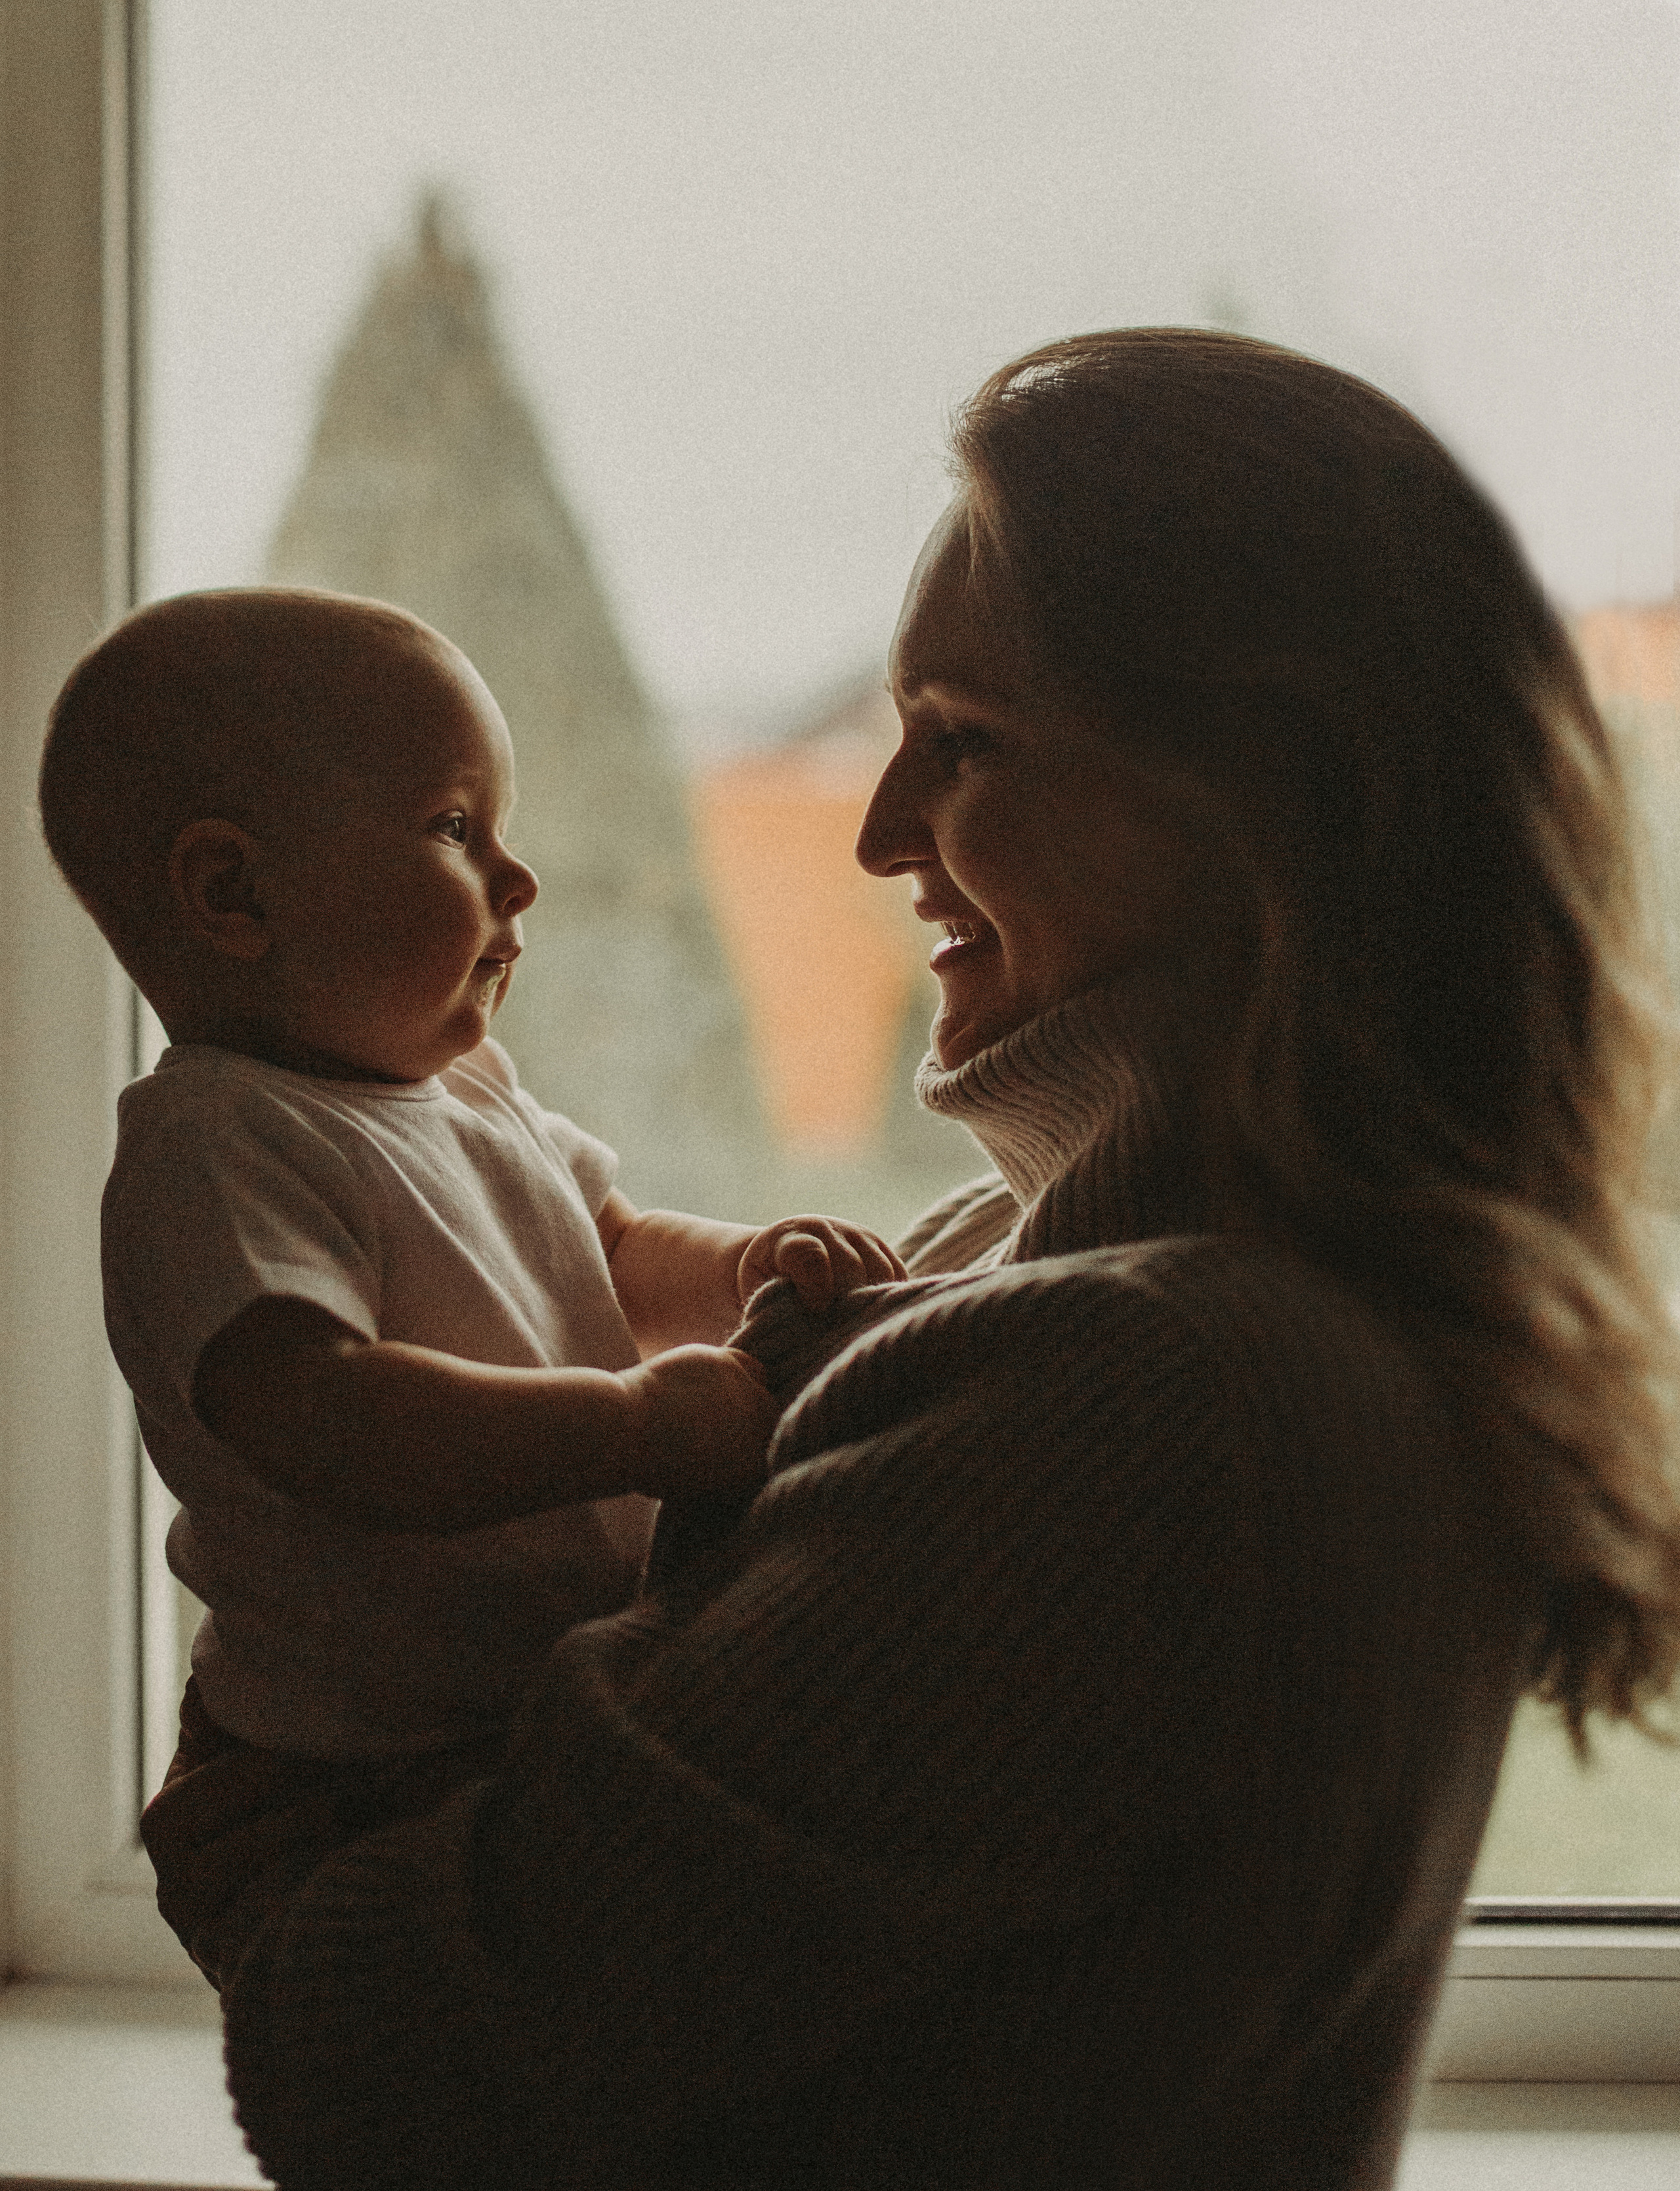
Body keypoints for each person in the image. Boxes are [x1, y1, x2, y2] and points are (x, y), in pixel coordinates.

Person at [178, 335, 1680, 2188]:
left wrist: (267, 1782)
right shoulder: (1038, 1277)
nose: (883, 831)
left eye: (963, 743)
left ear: (1265, 802)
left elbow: (382, 2058)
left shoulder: (1164, 1397)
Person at [36, 588, 904, 1986]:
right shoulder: (218, 1141)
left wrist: (746, 1262)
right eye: (455, 829)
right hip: (361, 1766)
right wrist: (626, 1423)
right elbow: (326, 1420)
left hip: (516, 1702)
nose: (519, 880)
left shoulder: (459, 1086)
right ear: (232, 895)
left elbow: (608, 1242)